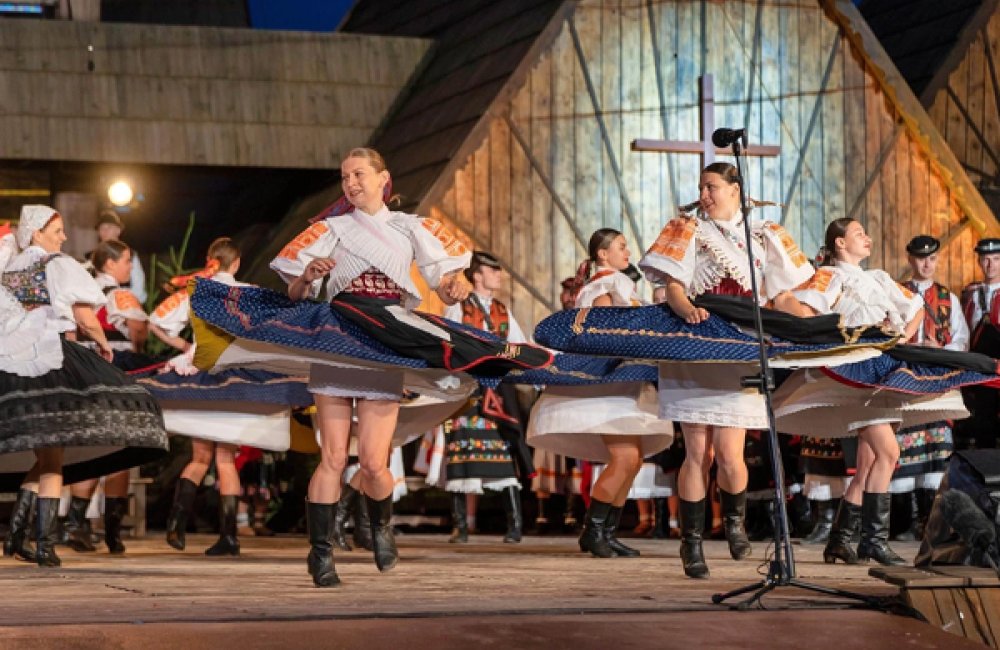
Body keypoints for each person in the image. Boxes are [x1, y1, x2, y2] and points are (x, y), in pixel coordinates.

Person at [264, 147, 551, 587]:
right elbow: (297, 295)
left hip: (386, 339)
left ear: (384, 179)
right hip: (338, 339)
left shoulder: (410, 227)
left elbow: (446, 282)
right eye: (345, 177)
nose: (351, 183)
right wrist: (307, 277)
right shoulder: (331, 229)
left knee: (374, 463)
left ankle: (381, 527)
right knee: (333, 457)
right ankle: (320, 553)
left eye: (359, 174)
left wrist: (454, 287)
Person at [638, 162, 815, 578]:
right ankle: (691, 542)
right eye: (702, 187)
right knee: (697, 451)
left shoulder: (764, 235)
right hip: (696, 343)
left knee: (731, 453)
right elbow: (672, 286)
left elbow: (782, 295)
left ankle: (735, 523)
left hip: (739, 347)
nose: (704, 194)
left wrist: (811, 325)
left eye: (712, 186)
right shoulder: (688, 229)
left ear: (735, 189)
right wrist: (687, 310)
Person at [0, 205, 166, 567]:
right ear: (38, 233)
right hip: (51, 357)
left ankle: (16, 534)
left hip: (16, 362)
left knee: (46, 453)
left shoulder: (9, 266)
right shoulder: (56, 264)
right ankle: (44, 544)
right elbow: (84, 316)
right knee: (53, 456)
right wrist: (103, 345)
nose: (63, 237)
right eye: (57, 231)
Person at [776, 218, 924, 566]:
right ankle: (873, 541)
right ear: (840, 243)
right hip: (856, 373)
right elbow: (806, 313)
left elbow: (917, 307)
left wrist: (902, 336)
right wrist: (784, 300)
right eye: (859, 233)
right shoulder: (830, 276)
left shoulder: (878, 278)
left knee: (871, 461)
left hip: (883, 371)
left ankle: (840, 541)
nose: (867, 237)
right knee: (888, 453)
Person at [528, 229, 674, 558]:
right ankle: (593, 531)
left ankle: (605, 532)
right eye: (621, 247)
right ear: (603, 255)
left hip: (624, 381)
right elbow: (602, 328)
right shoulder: (606, 284)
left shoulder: (615, 283)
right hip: (610, 383)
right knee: (624, 459)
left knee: (633, 459)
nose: (628, 252)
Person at [150, 237, 258, 557]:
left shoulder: (195, 290)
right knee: (226, 459)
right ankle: (230, 536)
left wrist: (186, 346)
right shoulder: (247, 292)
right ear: (236, 263)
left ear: (210, 259)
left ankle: (176, 525)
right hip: (234, 372)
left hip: (201, 369)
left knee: (199, 458)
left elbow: (156, 321)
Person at [62, 239, 156, 555]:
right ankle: (113, 533)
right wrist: (137, 350)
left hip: (84, 376)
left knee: (91, 448)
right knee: (120, 450)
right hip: (116, 376)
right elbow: (139, 329)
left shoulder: (82, 292)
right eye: (127, 260)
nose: (130, 267)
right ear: (110, 263)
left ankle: (75, 524)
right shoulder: (120, 294)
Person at [438, 250, 531, 543]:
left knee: (504, 451)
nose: (499, 276)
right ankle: (461, 526)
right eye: (493, 271)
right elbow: (446, 344)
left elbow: (519, 345)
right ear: (477, 275)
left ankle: (515, 526)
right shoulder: (459, 307)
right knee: (461, 452)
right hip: (467, 390)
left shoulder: (502, 310)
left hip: (498, 392)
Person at [890, 235, 968, 540]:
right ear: (910, 259)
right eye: (921, 259)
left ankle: (930, 521)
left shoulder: (949, 298)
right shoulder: (896, 293)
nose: (927, 264)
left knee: (937, 448)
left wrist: (941, 349)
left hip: (937, 380)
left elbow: (962, 340)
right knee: (903, 446)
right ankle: (905, 521)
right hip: (905, 379)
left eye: (932, 259)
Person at [958, 238, 1000, 450]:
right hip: (980, 368)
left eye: (996, 259)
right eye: (985, 259)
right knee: (983, 420)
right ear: (979, 262)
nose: (990, 265)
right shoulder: (970, 295)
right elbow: (963, 332)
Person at [86, 210, 146, 304]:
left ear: (118, 231)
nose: (105, 231)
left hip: (125, 304)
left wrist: (122, 300)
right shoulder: (92, 257)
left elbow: (139, 290)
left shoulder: (130, 255)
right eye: (102, 228)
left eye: (109, 227)